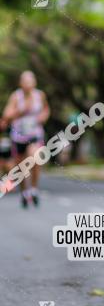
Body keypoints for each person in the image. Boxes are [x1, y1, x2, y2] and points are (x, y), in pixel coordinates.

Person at [3, 71, 50, 207]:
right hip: (18, 137)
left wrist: (43, 117)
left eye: (30, 81)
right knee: (21, 168)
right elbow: (6, 115)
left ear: (34, 82)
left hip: (35, 135)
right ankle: (24, 192)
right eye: (25, 82)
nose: (28, 84)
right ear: (21, 83)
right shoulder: (16, 97)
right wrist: (20, 111)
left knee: (35, 157)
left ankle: (34, 189)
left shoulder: (39, 95)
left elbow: (46, 109)